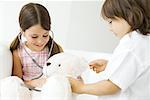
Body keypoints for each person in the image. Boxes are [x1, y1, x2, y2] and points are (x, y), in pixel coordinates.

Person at [69, 0, 150, 99]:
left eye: (111, 22)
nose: (109, 28)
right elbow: (137, 71)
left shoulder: (131, 44)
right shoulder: (144, 41)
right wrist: (111, 65)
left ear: (129, 15)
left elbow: (112, 86)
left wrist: (81, 88)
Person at [1, 2, 63, 100]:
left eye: (45, 35)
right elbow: (18, 82)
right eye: (34, 36)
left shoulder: (54, 50)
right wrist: (33, 83)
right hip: (28, 93)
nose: (40, 41)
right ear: (23, 32)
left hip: (49, 92)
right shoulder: (18, 53)